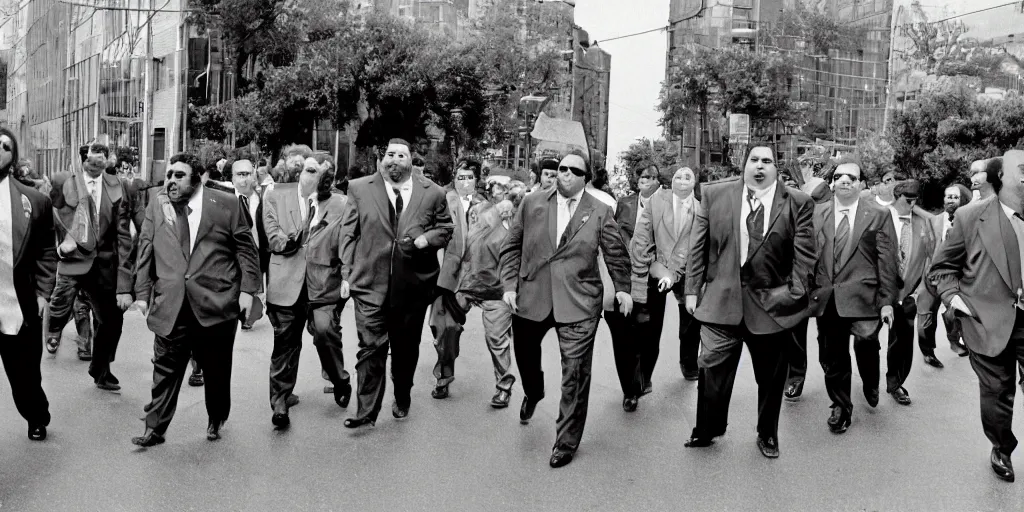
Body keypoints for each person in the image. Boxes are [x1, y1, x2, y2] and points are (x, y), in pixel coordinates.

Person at [500, 150, 632, 469]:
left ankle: (566, 441)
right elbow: (511, 246)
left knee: (575, 373)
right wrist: (508, 285)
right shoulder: (532, 203)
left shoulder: (600, 211)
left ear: (585, 179)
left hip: (579, 301)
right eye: (562, 169)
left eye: (575, 170)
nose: (566, 174)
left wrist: (624, 289)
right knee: (526, 355)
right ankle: (533, 391)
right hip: (532, 295)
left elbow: (615, 254)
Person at [684, 145, 815, 459]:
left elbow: (805, 259)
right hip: (721, 301)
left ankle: (767, 433)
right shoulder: (715, 195)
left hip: (773, 308)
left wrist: (791, 299)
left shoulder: (798, 203)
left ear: (776, 168)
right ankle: (707, 429)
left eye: (767, 161)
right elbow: (698, 247)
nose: (759, 166)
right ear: (744, 165)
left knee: (770, 380)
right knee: (711, 370)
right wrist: (692, 288)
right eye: (754, 160)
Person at [130, 152, 261, 446]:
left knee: (216, 371)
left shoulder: (226, 203)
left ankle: (217, 416)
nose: (171, 181)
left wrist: (248, 291)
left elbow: (246, 250)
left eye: (179, 175)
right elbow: (145, 247)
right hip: (172, 303)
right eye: (169, 175)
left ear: (198, 178)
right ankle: (155, 428)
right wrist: (141, 293)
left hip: (216, 303)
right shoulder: (158, 202)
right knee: (165, 369)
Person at [339, 138, 453, 429]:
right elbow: (348, 233)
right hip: (369, 283)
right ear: (382, 158)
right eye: (390, 154)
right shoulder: (359, 188)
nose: (394, 160)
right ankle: (365, 410)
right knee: (370, 349)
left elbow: (445, 227)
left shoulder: (433, 193)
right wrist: (346, 273)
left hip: (412, 285)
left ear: (411, 161)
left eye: (401, 155)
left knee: (405, 350)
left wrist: (427, 239)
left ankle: (402, 394)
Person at [929, 149, 1024, 482]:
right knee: (998, 392)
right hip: (985, 320)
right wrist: (957, 301)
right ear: (1000, 179)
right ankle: (1001, 447)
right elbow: (942, 268)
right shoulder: (971, 217)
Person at [808, 160, 899, 434]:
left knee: (866, 342)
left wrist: (886, 302)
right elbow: (807, 256)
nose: (845, 180)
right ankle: (841, 407)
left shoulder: (877, 215)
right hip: (828, 298)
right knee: (834, 357)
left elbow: (887, 261)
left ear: (862, 184)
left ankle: (871, 379)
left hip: (865, 298)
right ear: (832, 183)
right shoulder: (817, 213)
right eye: (839, 176)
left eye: (852, 176)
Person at [262, 154, 352, 428]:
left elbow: (347, 242)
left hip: (323, 284)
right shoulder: (275, 195)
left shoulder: (341, 205)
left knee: (325, 333)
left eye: (325, 174)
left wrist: (347, 275)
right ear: (301, 172)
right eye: (311, 171)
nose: (316, 178)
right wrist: (295, 235)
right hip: (286, 281)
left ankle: (339, 379)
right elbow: (273, 235)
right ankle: (280, 403)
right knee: (285, 346)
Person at [45, 142, 134, 391]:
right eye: (93, 157)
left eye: (103, 157)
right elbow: (50, 216)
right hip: (73, 261)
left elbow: (123, 235)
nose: (97, 162)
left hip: (104, 264)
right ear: (83, 159)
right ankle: (53, 330)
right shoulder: (66, 182)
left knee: (112, 319)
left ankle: (101, 368)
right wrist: (61, 246)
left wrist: (125, 281)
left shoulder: (118, 187)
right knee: (60, 306)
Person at [430, 158, 515, 406]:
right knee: (445, 329)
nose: (465, 181)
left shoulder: (492, 208)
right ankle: (443, 378)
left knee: (497, 338)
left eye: (470, 177)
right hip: (454, 281)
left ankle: (504, 387)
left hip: (491, 282)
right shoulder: (442, 201)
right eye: (460, 176)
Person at [0, 128, 57, 441]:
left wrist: (42, 293)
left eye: (4, 145)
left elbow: (48, 250)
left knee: (24, 376)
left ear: (13, 156)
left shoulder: (34, 201)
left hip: (17, 303)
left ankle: (36, 415)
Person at [629, 166, 702, 387]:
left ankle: (689, 363)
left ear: (694, 182)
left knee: (690, 323)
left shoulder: (701, 209)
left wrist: (677, 273)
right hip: (656, 269)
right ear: (671, 180)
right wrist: (652, 265)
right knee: (650, 328)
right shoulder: (656, 201)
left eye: (687, 176)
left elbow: (698, 246)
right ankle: (643, 377)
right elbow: (642, 236)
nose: (682, 180)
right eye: (678, 176)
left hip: (687, 271)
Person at [604, 162, 664, 412]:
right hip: (625, 277)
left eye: (651, 176)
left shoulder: (667, 203)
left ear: (658, 180)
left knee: (649, 335)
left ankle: (644, 376)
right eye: (641, 175)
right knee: (624, 336)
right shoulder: (625, 203)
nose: (645, 179)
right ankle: (630, 389)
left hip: (654, 277)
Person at [884, 180, 934, 398]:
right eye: (908, 199)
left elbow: (931, 257)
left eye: (916, 199)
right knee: (864, 341)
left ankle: (895, 383)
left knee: (902, 344)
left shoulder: (924, 222)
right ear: (897, 196)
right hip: (878, 293)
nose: (912, 203)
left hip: (909, 293)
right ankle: (868, 382)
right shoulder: (879, 215)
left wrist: (920, 290)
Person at [917, 183, 972, 366]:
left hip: (955, 278)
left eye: (955, 197)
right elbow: (922, 250)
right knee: (925, 315)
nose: (950, 200)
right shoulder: (933, 221)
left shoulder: (970, 223)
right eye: (948, 196)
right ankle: (927, 352)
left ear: (963, 200)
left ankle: (954, 341)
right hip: (930, 276)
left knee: (954, 313)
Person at [230, 158, 269, 330]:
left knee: (255, 290)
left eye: (248, 174)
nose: (244, 179)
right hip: (233, 257)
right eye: (240, 174)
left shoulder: (263, 200)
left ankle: (249, 316)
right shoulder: (227, 201)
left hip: (257, 254)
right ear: (232, 178)